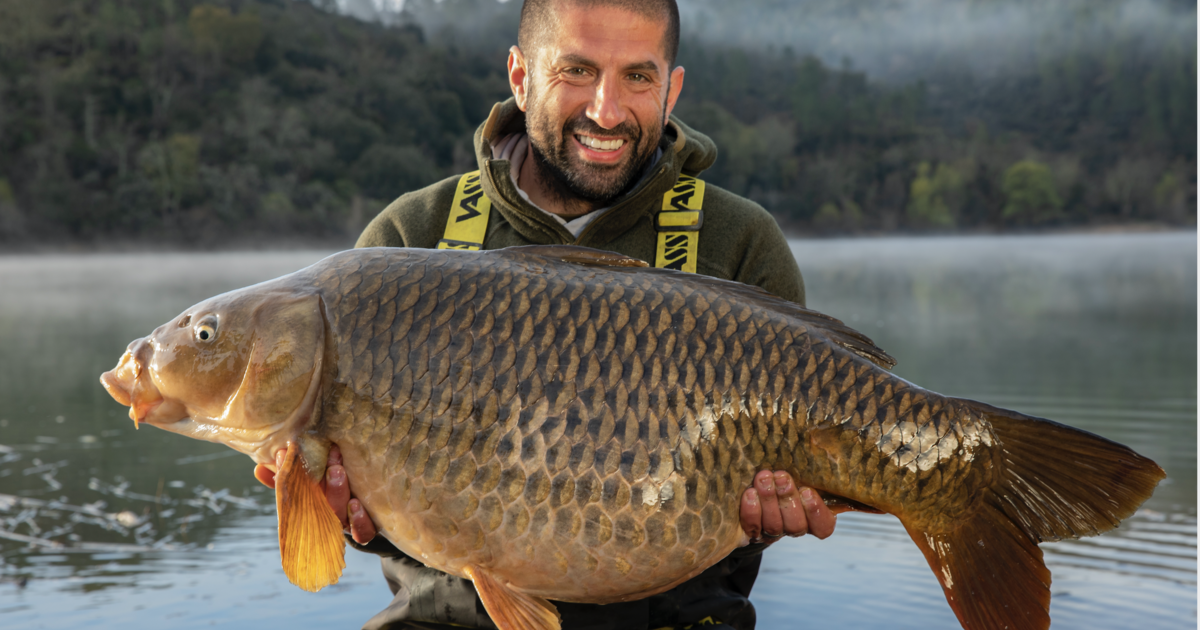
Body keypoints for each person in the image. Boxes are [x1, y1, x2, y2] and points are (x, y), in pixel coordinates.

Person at [258, 1, 836, 628]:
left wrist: (775, 517)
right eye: (577, 72)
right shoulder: (406, 238)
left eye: (637, 78)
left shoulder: (739, 242)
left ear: (672, 89)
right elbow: (358, 518)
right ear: (519, 76)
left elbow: (776, 496)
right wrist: (348, 518)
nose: (606, 111)